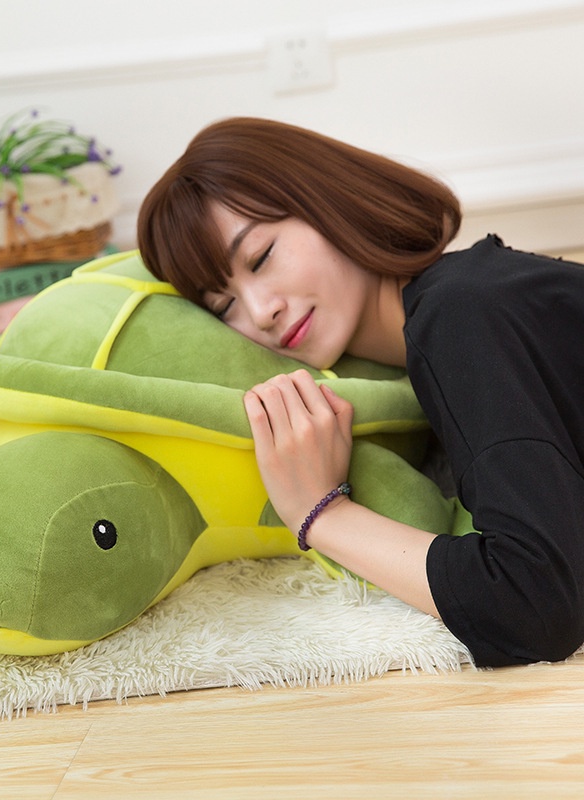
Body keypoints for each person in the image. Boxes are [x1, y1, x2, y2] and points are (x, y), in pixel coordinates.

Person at [136, 116, 584, 668]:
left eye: (261, 257)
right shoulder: (458, 309)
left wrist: (320, 514)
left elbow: (535, 603)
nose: (260, 311)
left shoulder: (460, 313)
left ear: (327, 202)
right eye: (223, 305)